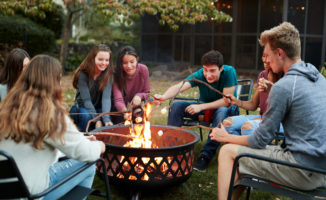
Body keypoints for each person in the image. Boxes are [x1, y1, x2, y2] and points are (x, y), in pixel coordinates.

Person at [210, 22, 326, 200]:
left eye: (268, 56)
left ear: (280, 53)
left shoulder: (285, 85)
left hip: (302, 171)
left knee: (227, 152)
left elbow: (259, 140)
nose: (267, 62)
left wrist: (225, 137)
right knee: (242, 160)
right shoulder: (319, 79)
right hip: (321, 168)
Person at [0, 55, 106, 199]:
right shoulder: (49, 113)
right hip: (33, 194)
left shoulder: (7, 107)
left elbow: (40, 143)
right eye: (59, 78)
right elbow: (86, 153)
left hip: (6, 191)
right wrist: (100, 146)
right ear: (53, 82)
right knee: (90, 163)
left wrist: (81, 138)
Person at [155, 50, 238, 172]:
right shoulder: (200, 74)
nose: (208, 74)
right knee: (177, 105)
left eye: (212, 71)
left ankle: (205, 156)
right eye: (205, 69)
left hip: (228, 110)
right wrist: (163, 96)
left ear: (220, 69)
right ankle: (171, 151)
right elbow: (180, 86)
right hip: (206, 109)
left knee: (221, 110)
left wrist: (200, 107)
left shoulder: (229, 72)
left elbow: (226, 101)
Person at [222, 54, 283, 136]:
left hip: (281, 122)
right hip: (263, 117)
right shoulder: (262, 75)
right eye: (264, 56)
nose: (264, 60)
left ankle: (251, 146)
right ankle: (244, 147)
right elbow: (253, 105)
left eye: (268, 56)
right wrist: (236, 101)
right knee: (227, 124)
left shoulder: (287, 77)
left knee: (248, 126)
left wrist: (271, 89)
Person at [70, 44, 114, 132]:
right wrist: (96, 120)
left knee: (109, 114)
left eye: (107, 60)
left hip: (98, 108)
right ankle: (83, 139)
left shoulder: (108, 75)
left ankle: (103, 143)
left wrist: (106, 119)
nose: (104, 63)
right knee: (87, 116)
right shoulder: (83, 74)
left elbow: (106, 99)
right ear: (92, 59)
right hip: (81, 108)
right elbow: (86, 101)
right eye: (100, 59)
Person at [112, 45, 150, 123]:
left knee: (139, 115)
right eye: (125, 63)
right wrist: (126, 112)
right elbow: (118, 100)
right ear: (120, 63)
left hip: (135, 106)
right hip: (118, 108)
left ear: (137, 60)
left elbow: (147, 93)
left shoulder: (143, 70)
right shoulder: (116, 74)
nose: (129, 66)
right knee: (122, 121)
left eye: (132, 62)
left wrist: (139, 96)